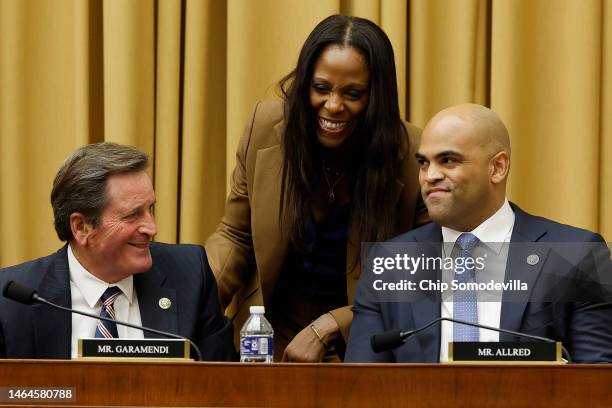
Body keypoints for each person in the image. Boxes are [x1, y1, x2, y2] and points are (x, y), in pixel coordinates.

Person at [206, 15, 427, 362]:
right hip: (268, 339)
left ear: (377, 96)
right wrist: (196, 301)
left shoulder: (415, 155)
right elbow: (235, 235)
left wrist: (331, 326)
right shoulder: (263, 127)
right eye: (321, 88)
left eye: (353, 93)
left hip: (362, 345)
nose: (334, 105)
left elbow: (417, 280)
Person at [345, 103, 612, 363]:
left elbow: (597, 383)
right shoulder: (389, 263)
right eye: (424, 163)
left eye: (448, 160)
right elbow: (361, 385)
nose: (430, 176)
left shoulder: (575, 254)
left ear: (497, 167)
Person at [0, 143, 236, 360]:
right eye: (132, 215)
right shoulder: (12, 301)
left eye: (150, 209)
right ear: (82, 227)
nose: (152, 228)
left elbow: (224, 388)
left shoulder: (190, 276)